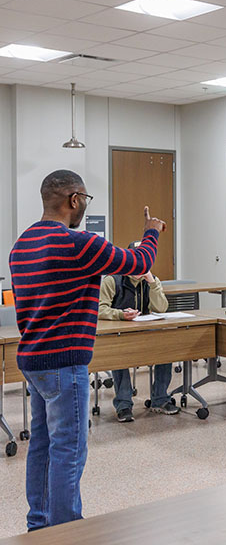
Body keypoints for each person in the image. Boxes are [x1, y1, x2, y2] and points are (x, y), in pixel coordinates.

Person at [9, 169, 165, 530]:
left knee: (43, 446)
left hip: (33, 361)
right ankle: (67, 530)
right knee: (68, 449)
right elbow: (138, 262)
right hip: (65, 362)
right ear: (74, 200)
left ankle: (40, 524)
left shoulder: (22, 245)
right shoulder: (78, 244)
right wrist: (151, 232)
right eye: (85, 200)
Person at [98, 243, 178, 421]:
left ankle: (160, 399)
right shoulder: (113, 280)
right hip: (119, 335)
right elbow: (99, 309)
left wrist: (152, 282)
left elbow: (161, 308)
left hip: (146, 332)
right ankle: (123, 404)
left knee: (166, 351)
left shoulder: (151, 280)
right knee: (120, 357)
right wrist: (120, 314)